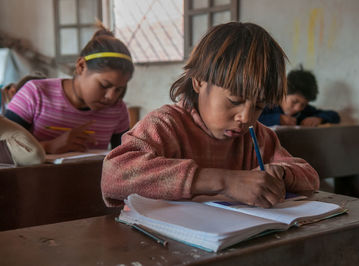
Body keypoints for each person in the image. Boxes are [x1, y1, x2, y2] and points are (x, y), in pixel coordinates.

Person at [101, 22, 319, 208]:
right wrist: (224, 181)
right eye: (234, 100)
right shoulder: (165, 125)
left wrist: (279, 173)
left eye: (259, 107)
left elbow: (310, 177)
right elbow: (115, 175)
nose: (246, 117)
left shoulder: (258, 137)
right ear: (198, 81)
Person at [4, 24, 134, 154]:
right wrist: (49, 147)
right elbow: (3, 150)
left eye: (119, 89)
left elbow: (123, 159)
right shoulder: (35, 93)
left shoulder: (117, 110)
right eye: (104, 85)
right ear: (81, 66)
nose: (111, 96)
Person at [258, 66, 340, 127]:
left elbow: (335, 116)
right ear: (283, 92)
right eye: (294, 101)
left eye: (303, 104)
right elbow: (251, 120)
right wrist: (276, 119)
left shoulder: (304, 111)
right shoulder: (267, 105)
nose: (298, 108)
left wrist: (318, 119)